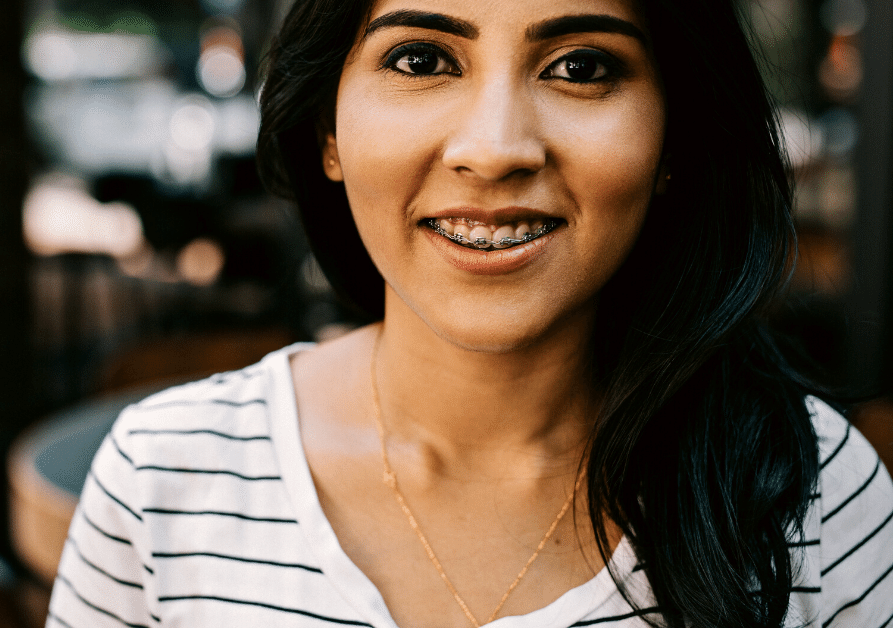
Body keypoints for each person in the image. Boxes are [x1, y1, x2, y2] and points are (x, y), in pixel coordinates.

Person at [46, 0, 893, 625]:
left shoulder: (810, 496)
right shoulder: (164, 483)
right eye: (421, 59)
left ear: (674, 138)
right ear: (327, 132)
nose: (493, 149)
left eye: (581, 66)